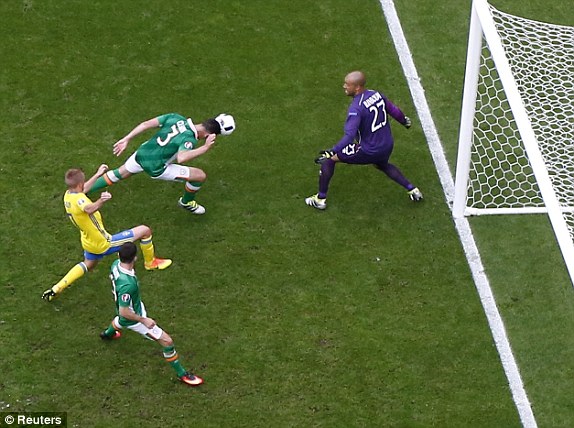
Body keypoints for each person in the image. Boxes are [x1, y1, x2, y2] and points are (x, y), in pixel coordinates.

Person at [42, 165, 172, 302]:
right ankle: (150, 262)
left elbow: (83, 190)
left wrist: (98, 174)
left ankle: (57, 288)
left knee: (88, 264)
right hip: (104, 242)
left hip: (88, 241)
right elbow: (88, 208)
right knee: (145, 230)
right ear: (79, 183)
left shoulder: (68, 196)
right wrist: (101, 200)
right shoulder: (81, 201)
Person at [305, 71, 423, 210]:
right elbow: (393, 109)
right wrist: (404, 121)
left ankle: (320, 199)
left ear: (357, 87)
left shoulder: (356, 108)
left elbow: (349, 136)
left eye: (347, 85)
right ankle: (412, 190)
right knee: (382, 165)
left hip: (369, 149)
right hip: (386, 144)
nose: (344, 86)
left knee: (330, 160)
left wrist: (332, 152)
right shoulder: (376, 94)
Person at [89, 112, 236, 215]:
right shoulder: (189, 139)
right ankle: (187, 202)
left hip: (142, 154)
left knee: (118, 174)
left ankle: (82, 191)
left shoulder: (175, 117)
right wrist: (204, 148)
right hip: (157, 168)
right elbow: (182, 158)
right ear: (210, 135)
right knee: (200, 176)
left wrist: (127, 139)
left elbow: (146, 124)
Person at [100, 242, 203, 387]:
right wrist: (143, 319)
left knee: (120, 320)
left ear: (119, 255)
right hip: (134, 318)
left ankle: (107, 334)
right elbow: (125, 311)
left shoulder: (116, 264)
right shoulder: (128, 283)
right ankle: (182, 374)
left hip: (124, 311)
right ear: (135, 258)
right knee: (167, 341)